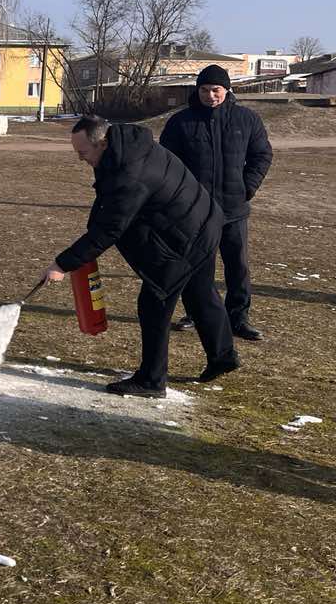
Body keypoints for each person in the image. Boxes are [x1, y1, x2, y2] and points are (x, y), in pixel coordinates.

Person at [41, 116, 238, 397]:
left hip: (188, 236)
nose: (80, 158)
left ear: (103, 143)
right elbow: (108, 201)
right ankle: (223, 356)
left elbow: (111, 228)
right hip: (203, 221)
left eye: (83, 152)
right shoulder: (126, 149)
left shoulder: (131, 172)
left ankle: (151, 380)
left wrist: (62, 264)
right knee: (200, 292)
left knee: (154, 303)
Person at [160, 66, 273, 341]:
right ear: (197, 91)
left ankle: (238, 318)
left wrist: (248, 187)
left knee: (238, 266)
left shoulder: (247, 119)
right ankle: (196, 313)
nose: (210, 96)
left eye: (215, 90)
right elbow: (167, 162)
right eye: (204, 90)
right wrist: (182, 196)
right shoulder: (180, 122)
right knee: (199, 267)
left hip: (234, 209)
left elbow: (261, 155)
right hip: (195, 211)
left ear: (227, 90)